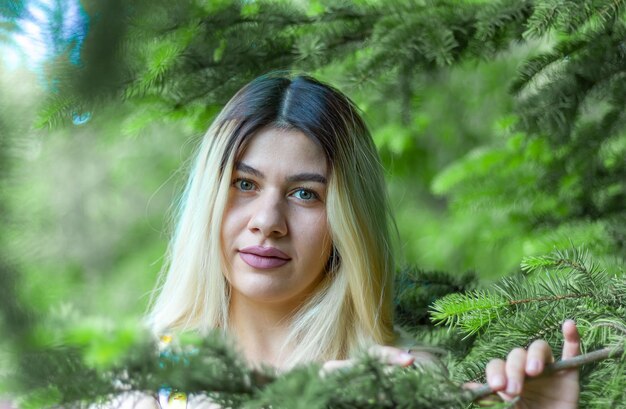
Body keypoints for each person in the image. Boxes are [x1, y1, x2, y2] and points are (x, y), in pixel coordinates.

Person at [140, 72, 580, 408]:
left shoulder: (405, 385)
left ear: (346, 225)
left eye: (304, 194)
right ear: (208, 200)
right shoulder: (136, 382)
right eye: (245, 184)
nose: (268, 221)